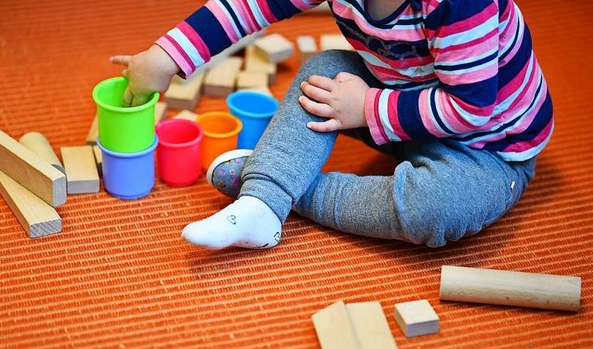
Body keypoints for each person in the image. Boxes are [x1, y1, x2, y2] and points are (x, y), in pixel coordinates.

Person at [111, 0, 553, 250]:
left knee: (435, 209)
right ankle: (263, 203)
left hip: (488, 148)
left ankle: (280, 186)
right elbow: (247, 8)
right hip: (396, 102)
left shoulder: (460, 4)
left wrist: (367, 108)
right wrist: (166, 57)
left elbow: (472, 108)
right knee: (323, 71)